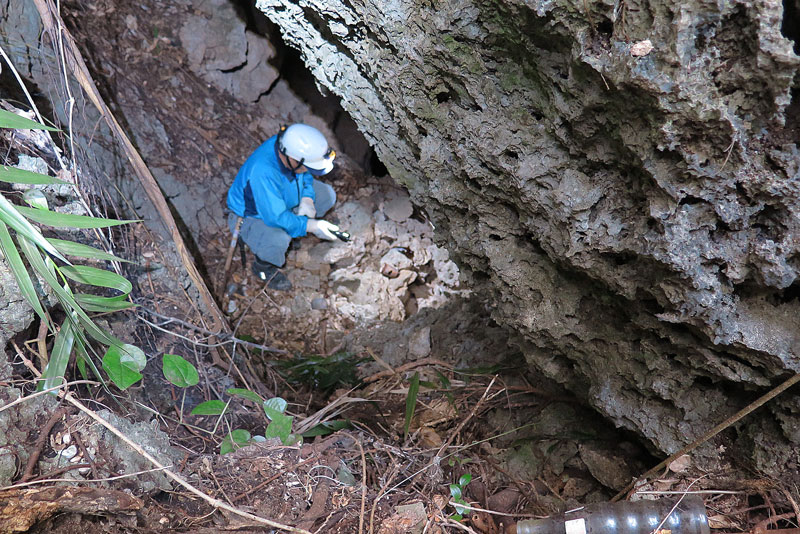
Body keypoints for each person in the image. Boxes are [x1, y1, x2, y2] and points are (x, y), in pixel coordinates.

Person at [226, 123, 342, 290]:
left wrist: (307, 198)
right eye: (306, 166)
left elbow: (306, 175)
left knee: (326, 196)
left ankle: (293, 231)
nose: (306, 170)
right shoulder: (264, 171)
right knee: (277, 239)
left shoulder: (290, 148)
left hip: (283, 194)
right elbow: (276, 217)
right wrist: (311, 225)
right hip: (253, 215)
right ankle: (263, 268)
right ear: (293, 159)